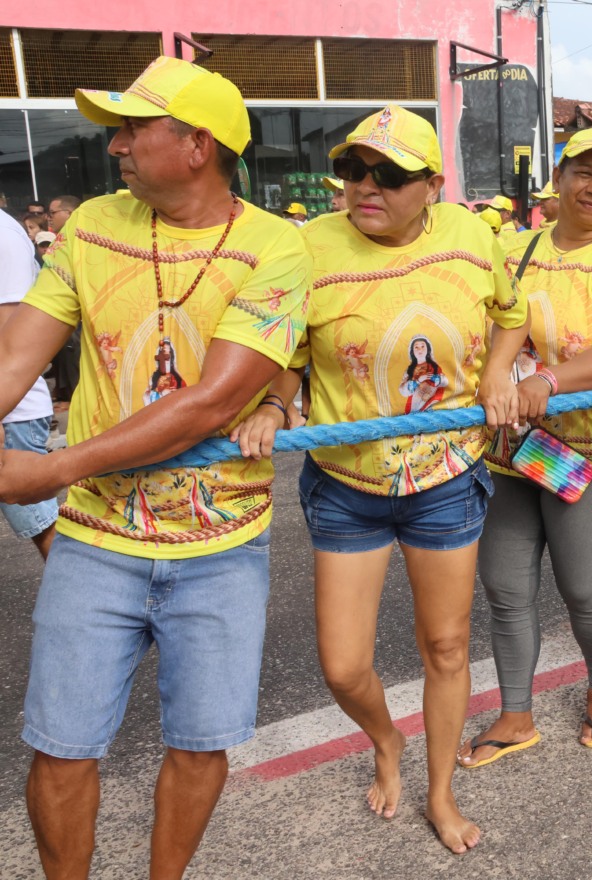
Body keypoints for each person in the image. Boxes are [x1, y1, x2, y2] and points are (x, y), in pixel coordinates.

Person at [0, 56, 311, 878]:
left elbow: (212, 405)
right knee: (61, 748)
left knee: (200, 743)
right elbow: (13, 359)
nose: (117, 145)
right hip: (98, 540)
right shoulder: (95, 225)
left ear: (198, 145)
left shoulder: (273, 247)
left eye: (135, 127)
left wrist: (54, 467)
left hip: (221, 546)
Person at [231, 104, 523, 853]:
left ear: (431, 186)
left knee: (447, 647)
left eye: (388, 175)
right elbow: (284, 349)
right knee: (342, 665)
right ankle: (385, 740)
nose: (365, 186)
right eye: (353, 169)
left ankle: (440, 790)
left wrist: (496, 373)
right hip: (345, 483)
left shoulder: (471, 236)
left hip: (447, 475)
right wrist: (272, 401)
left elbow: (511, 315)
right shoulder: (308, 246)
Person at [463, 126, 592, 768]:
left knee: (583, 585)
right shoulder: (513, 249)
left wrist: (547, 380)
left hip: (589, 456)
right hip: (511, 450)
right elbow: (487, 323)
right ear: (560, 175)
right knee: (504, 585)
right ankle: (516, 713)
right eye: (583, 172)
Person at [0, 209, 58, 560]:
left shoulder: (3, 236)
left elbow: (10, 337)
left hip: (13, 414)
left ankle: (81, 609)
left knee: (43, 526)